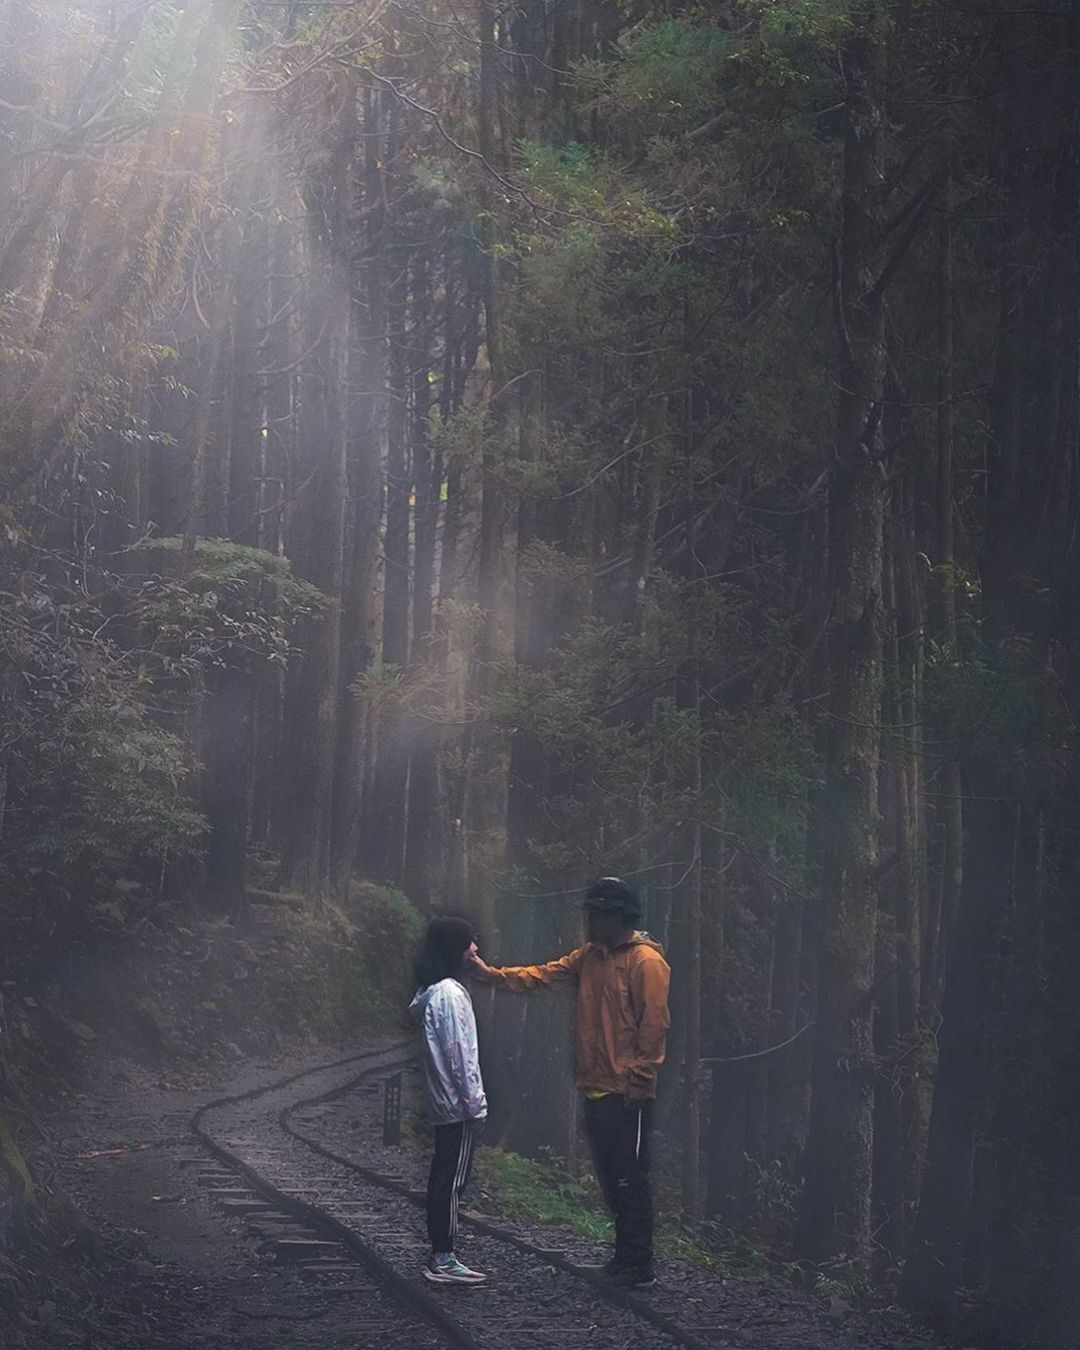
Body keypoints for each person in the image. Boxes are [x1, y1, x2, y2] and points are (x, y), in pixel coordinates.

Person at [468, 877, 670, 1288]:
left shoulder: (646, 962)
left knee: (630, 1175)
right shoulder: (590, 957)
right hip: (596, 1085)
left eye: (597, 914)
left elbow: (654, 1024)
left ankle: (640, 1262)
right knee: (612, 1173)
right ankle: (624, 1256)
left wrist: (640, 1078)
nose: (590, 921)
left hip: (627, 1092)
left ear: (617, 917)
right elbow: (543, 974)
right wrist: (491, 975)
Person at [409, 915, 489, 1286]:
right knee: (451, 1181)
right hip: (456, 1106)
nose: (475, 948)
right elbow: (460, 1056)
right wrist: (476, 1104)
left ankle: (442, 1254)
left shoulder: (432, 992)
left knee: (444, 1176)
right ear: (455, 949)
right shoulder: (451, 995)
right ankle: (444, 1257)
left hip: (444, 1105)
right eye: (470, 942)